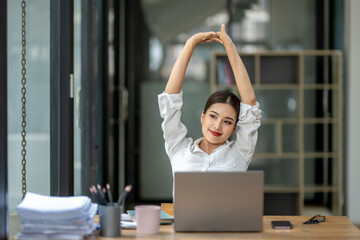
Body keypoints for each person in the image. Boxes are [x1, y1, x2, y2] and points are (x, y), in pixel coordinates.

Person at [158, 24, 261, 178]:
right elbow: (170, 99)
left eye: (227, 121)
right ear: (202, 116)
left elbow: (250, 101)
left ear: (234, 128)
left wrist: (230, 47)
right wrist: (190, 44)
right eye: (213, 116)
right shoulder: (179, 148)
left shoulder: (240, 153)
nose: (217, 126)